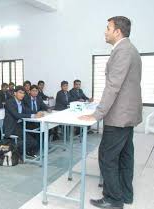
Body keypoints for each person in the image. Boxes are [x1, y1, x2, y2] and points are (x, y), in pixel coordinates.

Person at [79, 16, 142, 209]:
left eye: (108, 28)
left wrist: (97, 114)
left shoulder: (122, 51)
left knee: (107, 156)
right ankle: (125, 194)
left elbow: (113, 86)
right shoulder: (131, 49)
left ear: (117, 31)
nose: (105, 32)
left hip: (118, 116)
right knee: (125, 155)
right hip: (127, 114)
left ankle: (113, 199)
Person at [3, 86, 43, 156]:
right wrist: (33, 115)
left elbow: (28, 111)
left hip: (20, 124)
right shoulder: (9, 102)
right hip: (12, 127)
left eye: (23, 93)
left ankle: (30, 151)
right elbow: (17, 115)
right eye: (20, 93)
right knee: (31, 141)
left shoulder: (21, 102)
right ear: (15, 93)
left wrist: (36, 113)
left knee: (37, 131)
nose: (22, 95)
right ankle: (14, 151)